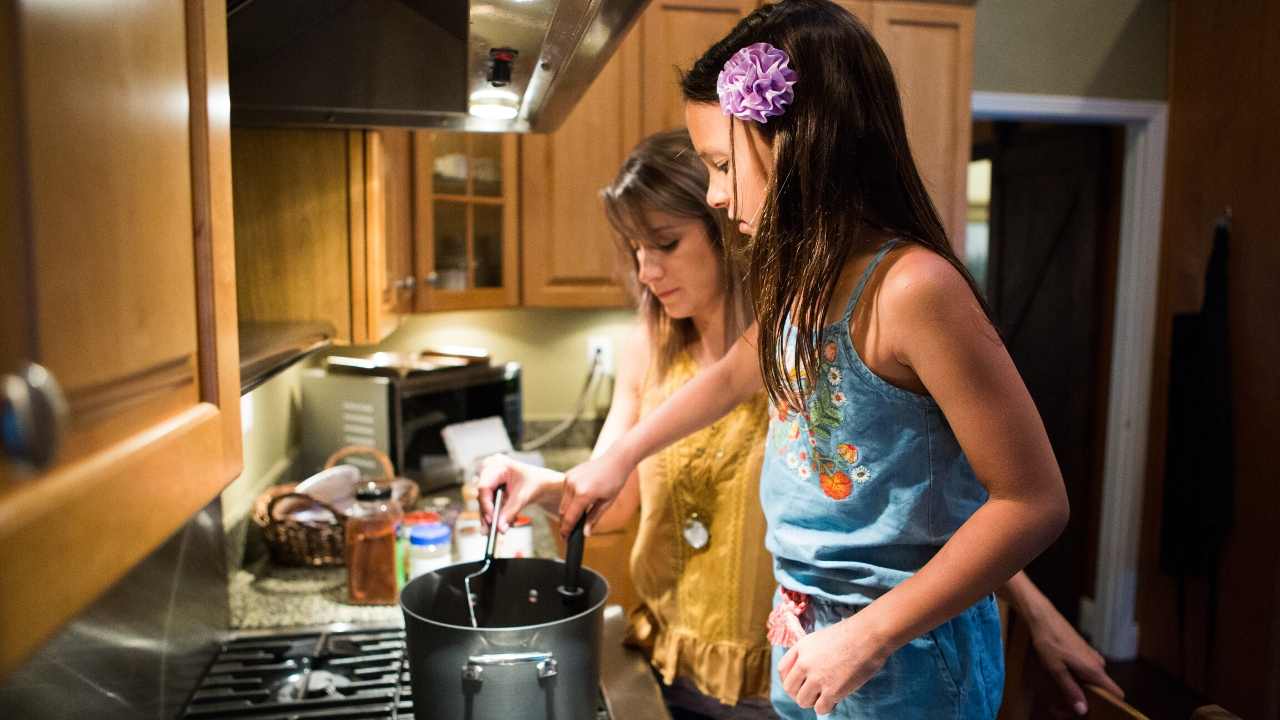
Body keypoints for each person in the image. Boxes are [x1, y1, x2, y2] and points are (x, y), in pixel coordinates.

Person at [480, 125, 1123, 717]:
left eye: (666, 243)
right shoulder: (652, 347)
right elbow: (611, 499)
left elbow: (917, 506)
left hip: (791, 669)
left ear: (726, 224)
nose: (647, 272)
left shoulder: (812, 343)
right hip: (676, 663)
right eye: (635, 249)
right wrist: (543, 486)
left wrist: (1036, 610)